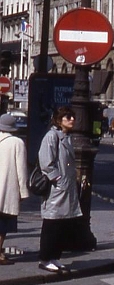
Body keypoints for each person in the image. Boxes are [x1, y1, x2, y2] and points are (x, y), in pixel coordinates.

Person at [37, 106, 83, 273]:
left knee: (62, 224)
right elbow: (46, 162)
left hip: (65, 187)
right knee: (51, 224)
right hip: (57, 190)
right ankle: (44, 258)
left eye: (72, 117)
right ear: (58, 120)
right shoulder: (51, 137)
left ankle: (54, 256)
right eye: (67, 117)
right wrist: (58, 179)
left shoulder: (65, 137)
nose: (72, 119)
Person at [0, 114, 29, 266]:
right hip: (6, 189)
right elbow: (21, 170)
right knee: (3, 223)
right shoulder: (17, 143)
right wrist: (23, 192)